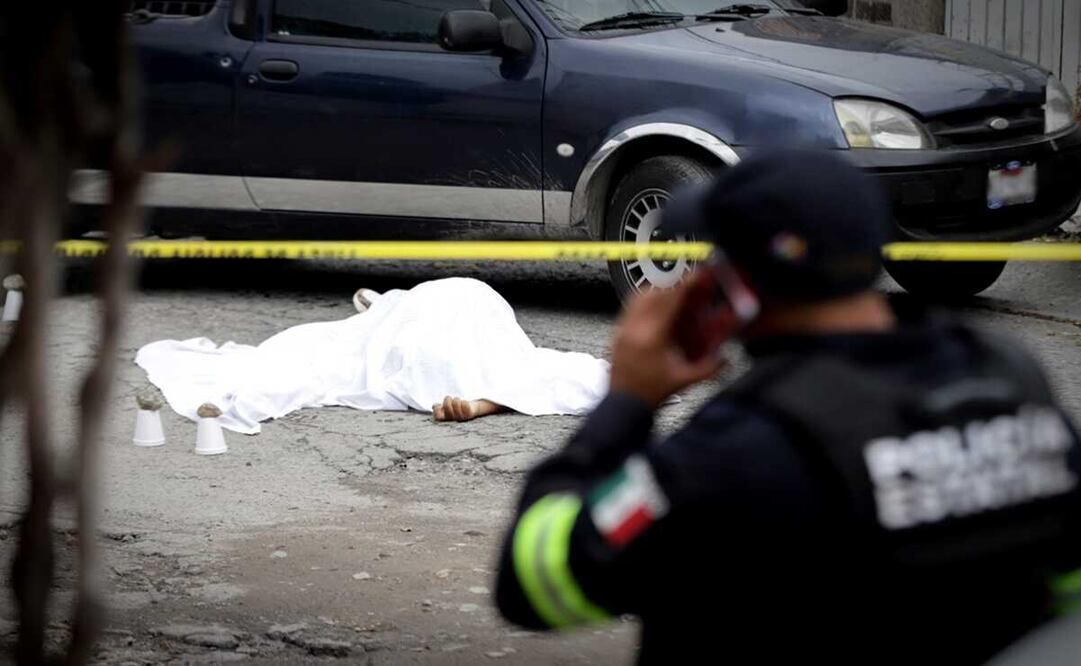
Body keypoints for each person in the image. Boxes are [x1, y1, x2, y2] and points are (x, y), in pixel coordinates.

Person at [493, 149, 1081, 665]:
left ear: (736, 285)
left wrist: (626, 401)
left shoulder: (745, 445)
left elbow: (536, 582)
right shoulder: (1007, 375)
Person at [136, 277, 609, 434]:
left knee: (337, 351)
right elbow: (589, 377)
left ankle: (482, 395)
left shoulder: (417, 308)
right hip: (457, 312)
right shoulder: (427, 307)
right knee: (518, 364)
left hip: (432, 313)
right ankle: (485, 395)